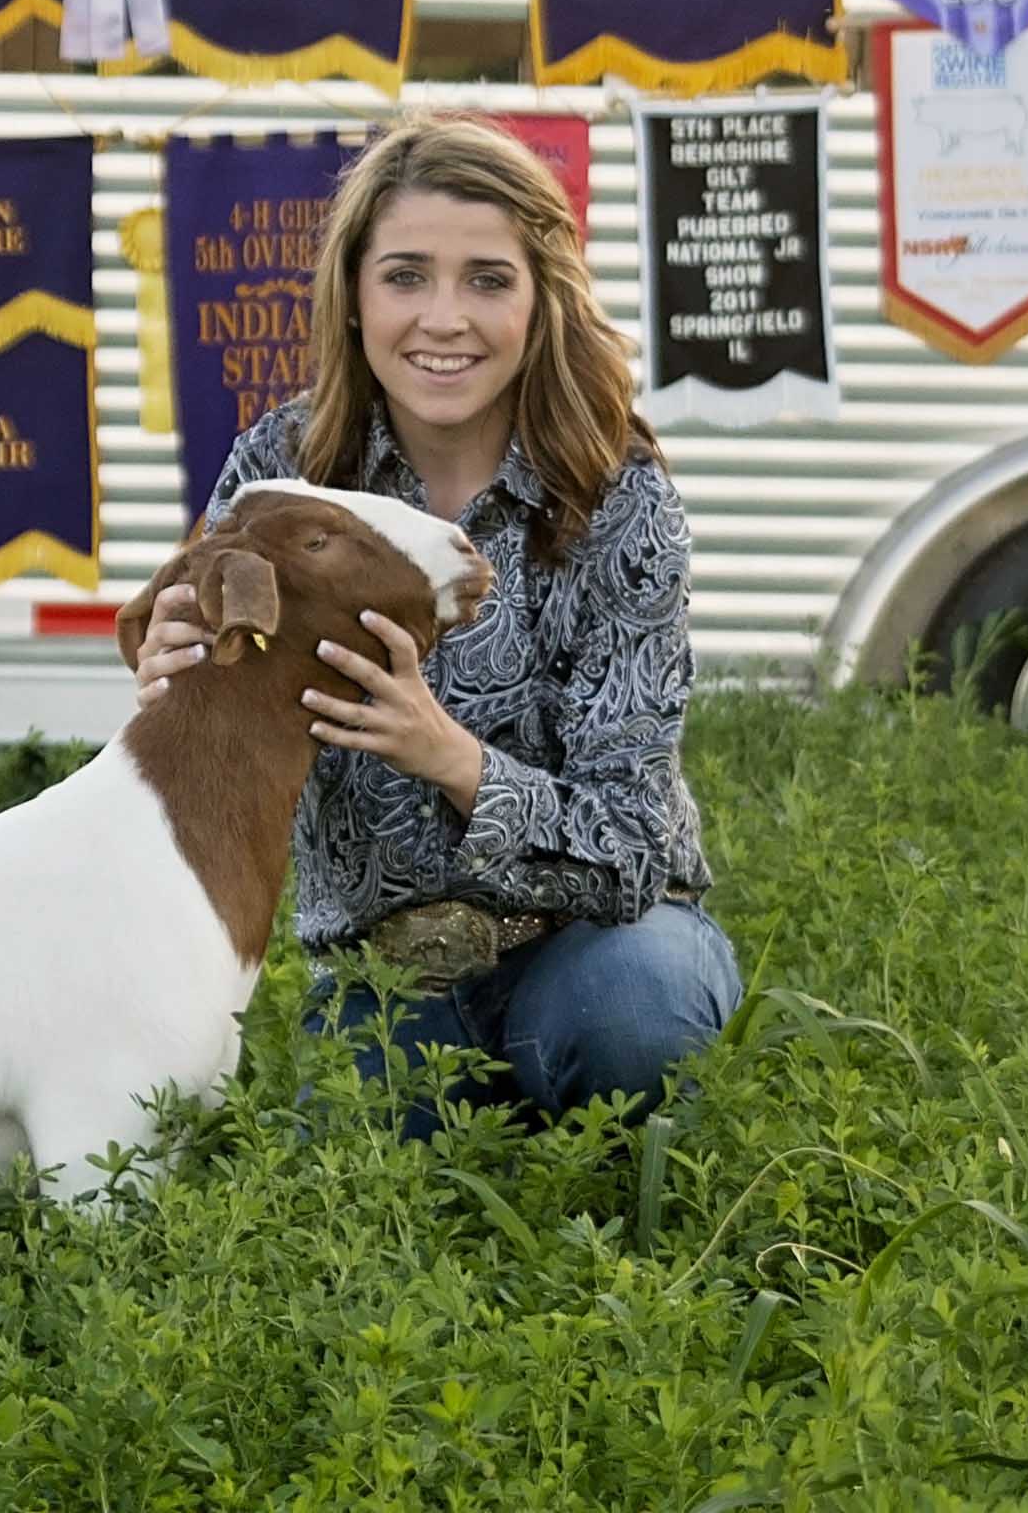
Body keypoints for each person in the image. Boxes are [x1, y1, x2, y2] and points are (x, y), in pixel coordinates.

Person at [131, 115, 738, 1121]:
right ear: (355, 293)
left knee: (632, 1014)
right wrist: (184, 670)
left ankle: (630, 1218)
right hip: (388, 971)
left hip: (601, 943)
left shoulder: (613, 493)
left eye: (488, 279)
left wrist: (450, 756)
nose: (443, 317)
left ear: (541, 299)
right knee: (372, 1158)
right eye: (406, 275)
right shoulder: (279, 474)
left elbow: (632, 843)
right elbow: (212, 756)